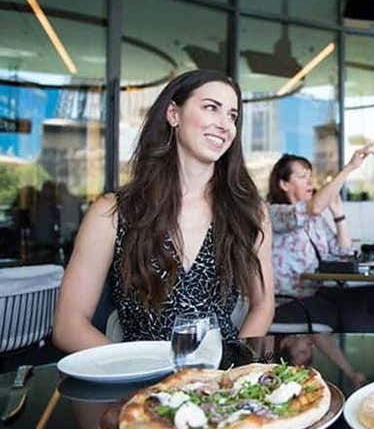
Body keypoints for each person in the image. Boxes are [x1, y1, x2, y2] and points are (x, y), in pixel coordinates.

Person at [53, 70, 274, 352]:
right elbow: (68, 325)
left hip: (219, 382)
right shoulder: (112, 212)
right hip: (138, 382)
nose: (225, 125)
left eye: (232, 115)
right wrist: (137, 375)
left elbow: (263, 305)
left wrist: (233, 369)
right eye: (211, 108)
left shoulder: (249, 212)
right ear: (173, 114)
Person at [267, 146, 373, 328]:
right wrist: (349, 167)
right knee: (347, 309)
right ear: (284, 184)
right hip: (289, 301)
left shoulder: (315, 220)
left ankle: (353, 353)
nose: (310, 183)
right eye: (302, 177)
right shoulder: (273, 213)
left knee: (365, 299)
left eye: (310, 177)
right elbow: (314, 207)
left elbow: (344, 251)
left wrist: (338, 214)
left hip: (317, 293)